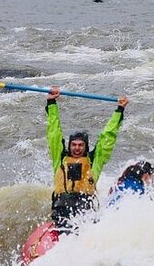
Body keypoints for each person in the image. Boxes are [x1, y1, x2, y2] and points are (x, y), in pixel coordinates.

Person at [45, 86, 129, 233]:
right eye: (74, 145)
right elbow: (54, 132)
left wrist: (119, 110)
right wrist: (52, 104)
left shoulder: (94, 161)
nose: (77, 148)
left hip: (84, 210)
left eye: (81, 145)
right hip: (61, 210)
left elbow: (107, 137)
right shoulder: (60, 158)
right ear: (69, 145)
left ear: (85, 146)